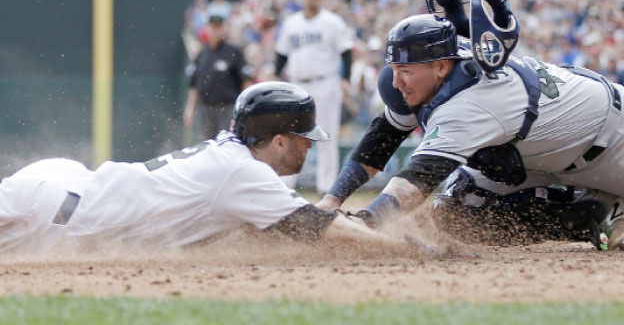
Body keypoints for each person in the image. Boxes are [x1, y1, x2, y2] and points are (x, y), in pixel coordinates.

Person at [318, 0, 624, 251]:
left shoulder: (473, 100)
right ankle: (594, 210)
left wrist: (367, 223)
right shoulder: (426, 74)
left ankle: (620, 194)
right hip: (543, 151)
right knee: (457, 213)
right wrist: (330, 204)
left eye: (407, 69)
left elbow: (416, 179)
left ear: (441, 67)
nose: (397, 80)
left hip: (613, 140)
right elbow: (380, 142)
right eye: (395, 68)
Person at [0, 82, 412, 253]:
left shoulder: (231, 157)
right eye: (306, 138)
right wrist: (404, 249)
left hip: (63, 186)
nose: (309, 146)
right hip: (57, 212)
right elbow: (319, 228)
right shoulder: (243, 174)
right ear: (280, 140)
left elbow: (286, 227)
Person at [274, 0, 354, 196]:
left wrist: (345, 78)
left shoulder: (332, 22)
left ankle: (327, 187)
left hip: (325, 82)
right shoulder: (291, 22)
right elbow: (281, 54)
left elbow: (346, 52)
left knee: (327, 135)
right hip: (297, 85)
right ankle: (286, 187)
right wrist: (274, 76)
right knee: (292, 135)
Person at [184, 14, 252, 140]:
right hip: (205, 108)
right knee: (208, 144)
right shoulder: (201, 54)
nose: (215, 30)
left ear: (224, 29)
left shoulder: (233, 52)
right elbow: (194, 85)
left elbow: (246, 81)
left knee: (226, 142)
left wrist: (244, 109)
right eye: (212, 27)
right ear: (207, 29)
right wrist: (189, 109)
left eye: (218, 27)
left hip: (227, 107)